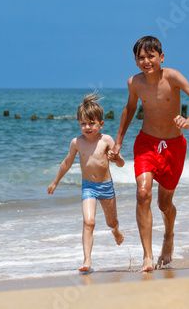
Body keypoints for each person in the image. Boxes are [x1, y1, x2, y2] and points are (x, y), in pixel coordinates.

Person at [108, 36, 189, 272]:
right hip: (146, 144)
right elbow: (130, 108)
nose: (146, 61)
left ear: (161, 58)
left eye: (151, 56)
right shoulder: (134, 83)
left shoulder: (172, 77)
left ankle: (169, 235)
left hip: (174, 146)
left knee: (165, 205)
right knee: (143, 194)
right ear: (135, 60)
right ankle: (147, 257)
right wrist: (118, 142)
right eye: (141, 57)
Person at [48, 91, 125, 272]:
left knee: (111, 222)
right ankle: (87, 261)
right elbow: (67, 163)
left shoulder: (106, 140)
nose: (87, 127)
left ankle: (116, 231)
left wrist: (116, 158)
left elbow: (121, 163)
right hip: (88, 187)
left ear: (101, 124)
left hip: (106, 187)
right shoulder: (76, 142)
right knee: (88, 222)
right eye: (83, 123)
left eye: (92, 123)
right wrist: (55, 181)